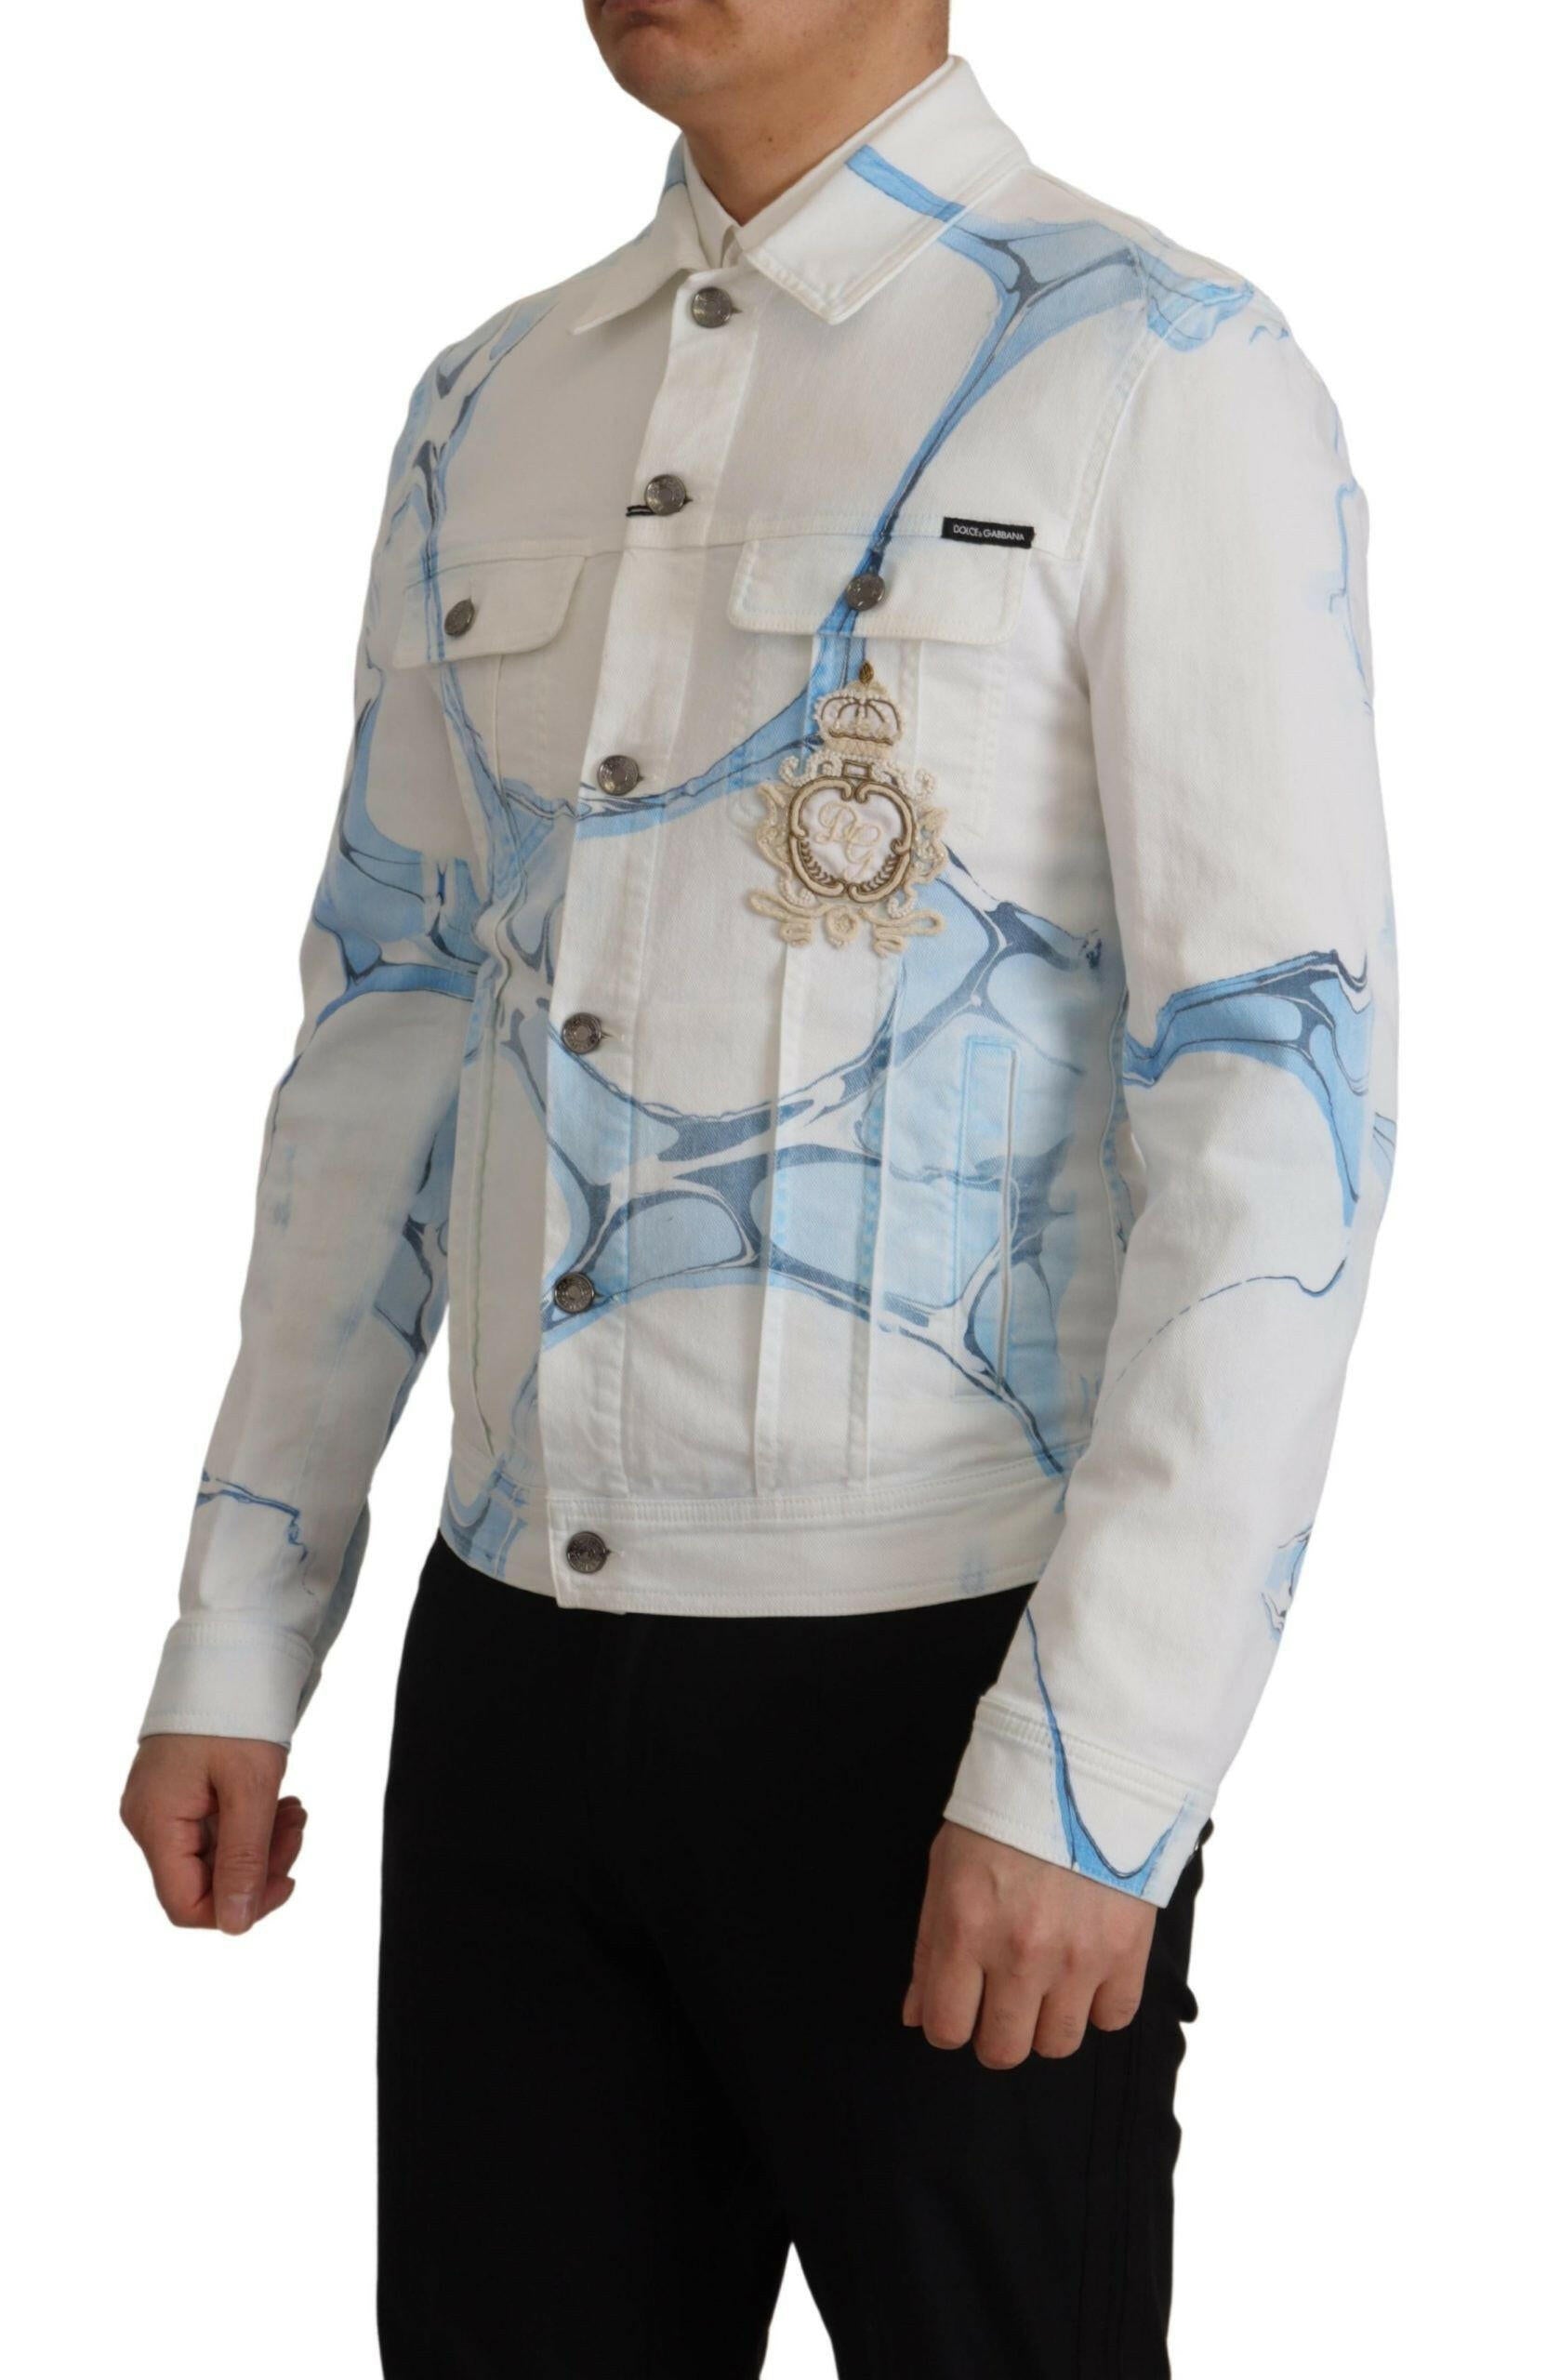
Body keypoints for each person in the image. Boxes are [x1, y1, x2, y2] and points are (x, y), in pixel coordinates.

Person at [120, 2, 1396, 2372]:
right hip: (512, 1667)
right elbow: (388, 1024)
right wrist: (241, 1624)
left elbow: (1271, 1092)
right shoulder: (490, 398)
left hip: (937, 1676)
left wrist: (1099, 1765)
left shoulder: (1154, 366)